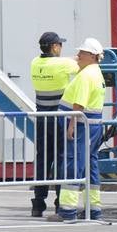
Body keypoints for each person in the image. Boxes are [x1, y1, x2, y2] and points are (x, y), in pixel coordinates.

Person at [50, 37, 106, 221]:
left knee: (72, 164)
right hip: (92, 126)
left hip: (81, 126)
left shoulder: (86, 75)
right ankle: (94, 209)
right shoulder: (96, 72)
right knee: (90, 165)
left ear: (91, 55)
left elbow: (78, 105)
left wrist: (71, 127)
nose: (78, 56)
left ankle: (67, 211)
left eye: (81, 53)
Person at [30, 32, 79, 217]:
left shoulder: (35, 62)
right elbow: (81, 63)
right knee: (61, 159)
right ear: (55, 47)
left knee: (43, 160)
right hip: (59, 119)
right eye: (60, 45)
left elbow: (65, 62)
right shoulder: (63, 64)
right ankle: (60, 203)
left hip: (42, 117)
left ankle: (38, 203)